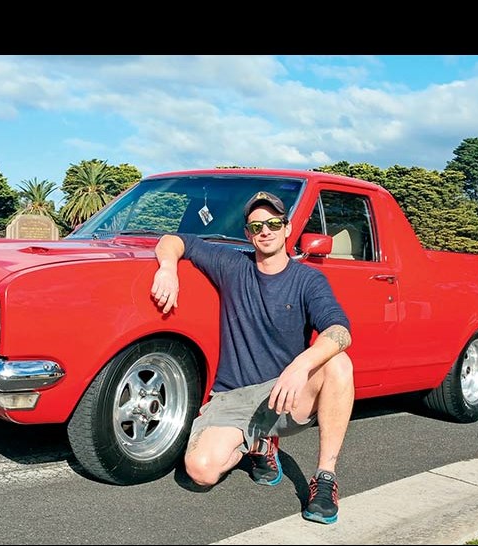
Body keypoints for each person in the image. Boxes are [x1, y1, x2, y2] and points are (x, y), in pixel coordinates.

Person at [150, 190, 355, 524]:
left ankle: (325, 478)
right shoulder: (231, 264)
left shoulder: (308, 280)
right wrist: (168, 269)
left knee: (338, 363)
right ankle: (261, 446)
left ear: (288, 229)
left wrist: (299, 366)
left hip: (286, 394)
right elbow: (174, 240)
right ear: (247, 234)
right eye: (257, 225)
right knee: (200, 472)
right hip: (233, 396)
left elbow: (340, 331)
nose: (266, 230)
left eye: (274, 223)